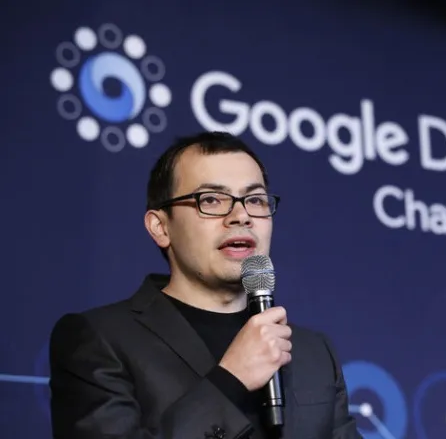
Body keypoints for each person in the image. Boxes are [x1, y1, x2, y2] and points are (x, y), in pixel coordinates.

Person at [48, 131, 362, 439]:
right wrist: (230, 381)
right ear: (161, 227)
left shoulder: (313, 352)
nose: (241, 216)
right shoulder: (100, 340)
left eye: (255, 200)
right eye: (211, 199)